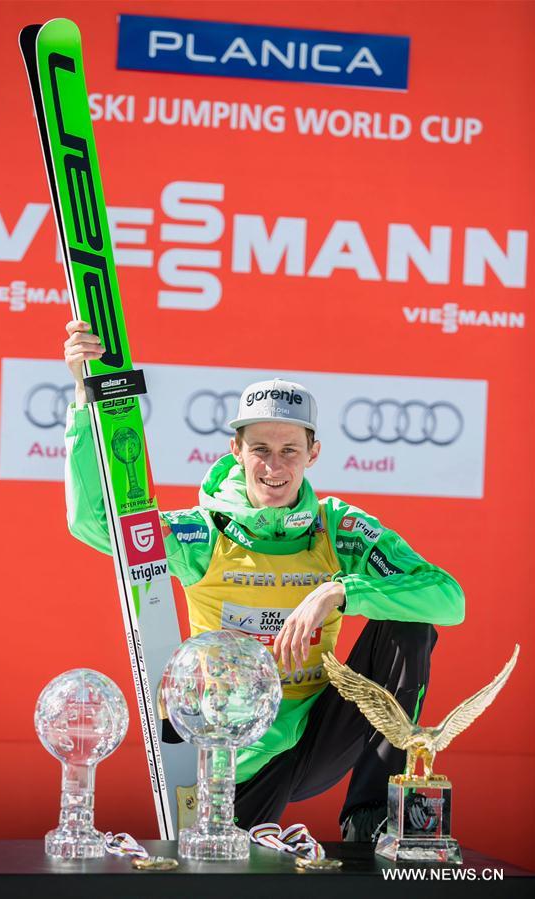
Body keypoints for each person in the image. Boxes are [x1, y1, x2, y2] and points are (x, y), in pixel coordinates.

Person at [63, 320, 465, 840]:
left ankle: (374, 816)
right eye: (260, 450)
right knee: (226, 874)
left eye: (289, 451)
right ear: (237, 449)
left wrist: (341, 590)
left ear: (312, 453)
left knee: (409, 623)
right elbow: (96, 524)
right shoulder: (204, 533)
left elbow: (449, 600)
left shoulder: (337, 528)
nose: (274, 467)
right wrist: (82, 393)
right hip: (238, 751)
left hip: (322, 731)